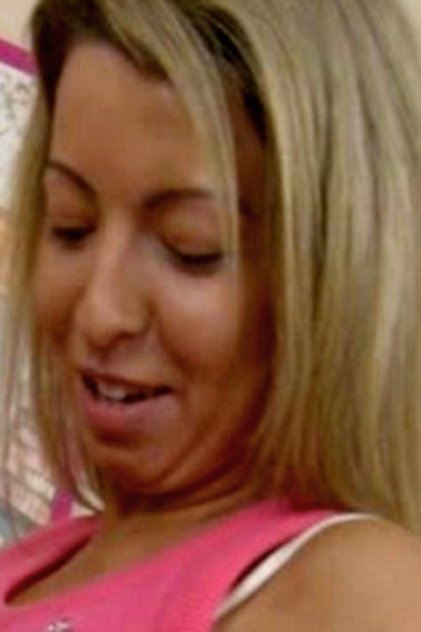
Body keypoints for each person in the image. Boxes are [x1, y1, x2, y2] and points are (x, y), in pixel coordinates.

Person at [1, 0, 421, 629]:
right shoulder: (39, 562)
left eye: (190, 247)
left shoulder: (352, 589)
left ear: (332, 274)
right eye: (71, 225)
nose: (99, 312)